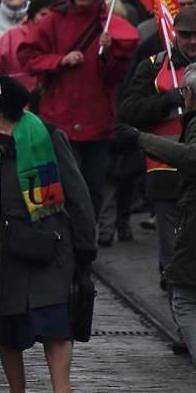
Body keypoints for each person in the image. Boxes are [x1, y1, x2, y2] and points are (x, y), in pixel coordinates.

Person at [0, 75, 96, 393]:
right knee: (6, 325)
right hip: (5, 252)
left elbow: (78, 194)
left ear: (0, 109)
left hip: (50, 247)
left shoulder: (49, 137)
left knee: (54, 322)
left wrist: (86, 248)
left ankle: (61, 388)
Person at [18, 0, 138, 239]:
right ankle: (59, 237)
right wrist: (59, 60)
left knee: (93, 186)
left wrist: (109, 53)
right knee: (60, 184)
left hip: (96, 122)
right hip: (60, 117)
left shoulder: (109, 24)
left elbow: (116, 76)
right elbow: (27, 57)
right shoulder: (53, 19)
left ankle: (84, 240)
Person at [117, 63, 196, 367]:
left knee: (183, 292)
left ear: (188, 94)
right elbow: (132, 105)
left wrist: (140, 139)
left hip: (190, 208)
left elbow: (191, 157)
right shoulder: (154, 64)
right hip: (168, 189)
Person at [118, 6, 196, 270]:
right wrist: (164, 102)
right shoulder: (153, 66)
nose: (193, 40)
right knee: (172, 253)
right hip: (165, 171)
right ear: (175, 34)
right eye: (186, 34)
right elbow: (128, 111)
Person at [0, 0, 53, 91]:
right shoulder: (12, 36)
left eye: (52, 16)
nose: (48, 19)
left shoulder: (62, 38)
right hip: (15, 102)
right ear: (32, 16)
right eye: (43, 15)